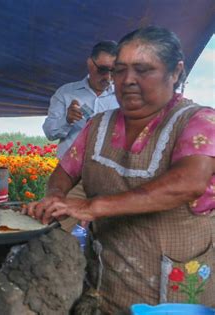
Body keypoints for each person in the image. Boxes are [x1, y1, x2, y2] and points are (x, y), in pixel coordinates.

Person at [24, 26, 214, 312]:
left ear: (175, 72)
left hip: (173, 291)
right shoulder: (99, 125)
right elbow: (65, 170)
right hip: (109, 279)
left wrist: (92, 207)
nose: (128, 81)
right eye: (120, 70)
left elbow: (188, 183)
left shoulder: (198, 121)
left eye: (143, 70)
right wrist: (55, 195)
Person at [43, 40, 119, 160]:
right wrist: (67, 120)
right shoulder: (66, 93)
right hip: (69, 173)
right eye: (103, 70)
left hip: (107, 173)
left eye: (114, 71)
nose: (108, 77)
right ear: (90, 64)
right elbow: (50, 133)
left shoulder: (123, 97)